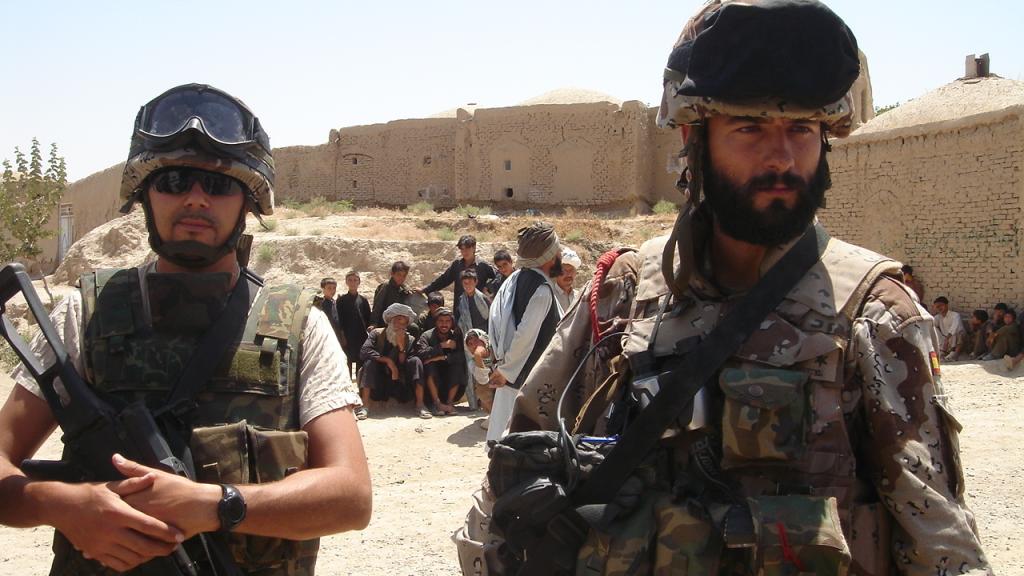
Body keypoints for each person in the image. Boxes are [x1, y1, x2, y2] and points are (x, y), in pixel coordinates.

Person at [455, 3, 990, 574]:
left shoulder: (874, 314)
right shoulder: (626, 291)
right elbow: (516, 474)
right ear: (693, 135)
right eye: (750, 127)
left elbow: (939, 543)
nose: (782, 156)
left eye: (802, 128)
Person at [0, 84, 371, 575]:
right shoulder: (83, 315)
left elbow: (351, 496)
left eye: (218, 185)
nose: (196, 199)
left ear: (246, 202)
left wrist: (218, 505)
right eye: (174, 180)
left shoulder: (298, 324)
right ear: (145, 195)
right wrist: (64, 505)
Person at [485, 222, 563, 443]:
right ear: (549, 257)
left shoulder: (517, 278)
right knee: (517, 446)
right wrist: (506, 370)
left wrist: (501, 366)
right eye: (557, 251)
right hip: (524, 382)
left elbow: (498, 318)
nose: (560, 255)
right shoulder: (542, 290)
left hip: (512, 376)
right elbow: (524, 336)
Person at [359, 303, 430, 419]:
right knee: (369, 362)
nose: (400, 326)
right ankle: (365, 406)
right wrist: (388, 361)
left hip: (399, 383)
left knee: (416, 361)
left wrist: (402, 347)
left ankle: (420, 405)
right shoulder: (377, 334)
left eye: (404, 323)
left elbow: (405, 362)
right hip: (378, 380)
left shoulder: (410, 339)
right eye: (398, 321)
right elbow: (364, 352)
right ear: (390, 321)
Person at [414, 307, 465, 416]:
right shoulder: (427, 335)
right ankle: (437, 403)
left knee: (458, 366)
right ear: (436, 322)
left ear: (452, 323)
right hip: (431, 378)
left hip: (449, 376)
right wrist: (441, 346)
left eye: (447, 321)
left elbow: (461, 356)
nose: (444, 324)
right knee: (430, 364)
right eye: (441, 321)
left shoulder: (455, 336)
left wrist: (443, 358)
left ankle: (449, 403)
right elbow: (421, 353)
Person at [421, 235, 498, 304]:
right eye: (462, 249)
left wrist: (487, 288)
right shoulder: (457, 265)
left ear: (474, 247)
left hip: (478, 307)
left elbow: (498, 276)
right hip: (460, 307)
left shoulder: (482, 265)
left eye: (467, 248)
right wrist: (425, 290)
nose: (465, 252)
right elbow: (443, 280)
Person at [457, 269, 491, 410]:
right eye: (465, 283)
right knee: (472, 370)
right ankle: (475, 403)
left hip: (483, 339)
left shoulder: (482, 298)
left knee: (486, 370)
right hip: (469, 340)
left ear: (476, 282)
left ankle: (488, 404)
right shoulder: (462, 299)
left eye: (470, 283)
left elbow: (491, 318)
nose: (468, 285)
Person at [338, 270, 372, 382]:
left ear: (359, 282)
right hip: (347, 336)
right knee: (348, 359)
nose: (353, 282)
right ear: (346, 282)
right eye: (350, 280)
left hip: (361, 335)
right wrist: (342, 336)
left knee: (360, 359)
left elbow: (368, 318)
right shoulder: (341, 300)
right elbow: (339, 320)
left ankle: (359, 383)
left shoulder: (363, 300)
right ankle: (347, 382)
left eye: (355, 280)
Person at [371, 261, 414, 328]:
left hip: (399, 322)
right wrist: (373, 323)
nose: (401, 278)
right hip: (385, 322)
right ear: (392, 274)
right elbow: (377, 306)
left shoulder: (403, 288)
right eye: (399, 275)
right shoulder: (386, 287)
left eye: (404, 276)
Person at [933, 296, 964, 360]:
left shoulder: (955, 315)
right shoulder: (937, 317)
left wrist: (947, 339)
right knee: (933, 328)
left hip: (956, 338)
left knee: (957, 332)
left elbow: (954, 328)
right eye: (937, 307)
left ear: (946, 305)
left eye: (941, 305)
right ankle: (942, 351)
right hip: (945, 340)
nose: (939, 308)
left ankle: (954, 353)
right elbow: (932, 326)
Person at [553, 247, 581, 314]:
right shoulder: (550, 296)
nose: (568, 274)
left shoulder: (580, 297)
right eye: (564, 270)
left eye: (571, 270)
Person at [316, 277, 343, 343]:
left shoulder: (335, 303)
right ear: (323, 289)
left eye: (334, 288)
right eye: (329, 288)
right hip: (326, 336)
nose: (332, 290)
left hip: (337, 335)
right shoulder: (321, 304)